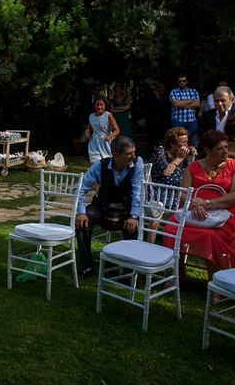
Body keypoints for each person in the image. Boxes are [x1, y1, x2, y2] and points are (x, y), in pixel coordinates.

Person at [164, 130, 235, 284]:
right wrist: (195, 203)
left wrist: (207, 203)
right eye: (220, 149)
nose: (225, 151)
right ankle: (179, 274)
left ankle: (215, 282)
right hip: (195, 213)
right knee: (170, 229)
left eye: (226, 147)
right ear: (207, 150)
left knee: (210, 237)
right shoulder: (193, 167)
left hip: (226, 216)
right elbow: (182, 194)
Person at [75, 136, 144, 278]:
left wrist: (134, 216)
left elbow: (138, 191)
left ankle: (128, 271)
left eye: (134, 152)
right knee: (83, 222)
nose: (133, 156)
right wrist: (81, 212)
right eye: (129, 153)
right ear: (116, 155)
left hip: (125, 208)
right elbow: (80, 189)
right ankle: (86, 266)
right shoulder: (100, 165)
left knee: (134, 226)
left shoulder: (137, 163)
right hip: (103, 206)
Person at [147, 127, 195, 242]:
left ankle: (181, 242)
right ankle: (150, 244)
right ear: (172, 145)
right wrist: (179, 159)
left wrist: (191, 157)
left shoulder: (184, 155)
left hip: (178, 194)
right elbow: (165, 172)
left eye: (187, 143)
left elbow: (189, 174)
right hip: (159, 193)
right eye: (182, 143)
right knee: (157, 209)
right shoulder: (161, 152)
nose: (186, 146)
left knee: (193, 206)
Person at [170, 73, 200, 147]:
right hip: (178, 120)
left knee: (192, 141)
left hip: (191, 120)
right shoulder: (173, 92)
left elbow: (197, 104)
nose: (182, 82)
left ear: (187, 81)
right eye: (180, 81)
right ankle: (180, 157)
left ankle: (192, 157)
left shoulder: (193, 91)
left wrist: (181, 104)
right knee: (178, 141)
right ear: (177, 82)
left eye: (184, 81)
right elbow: (176, 104)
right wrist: (191, 101)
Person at [85, 97, 119, 163]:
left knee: (107, 164)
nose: (99, 107)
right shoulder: (91, 116)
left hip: (106, 143)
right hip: (94, 144)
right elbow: (89, 127)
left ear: (105, 105)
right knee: (96, 164)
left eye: (101, 105)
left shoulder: (108, 115)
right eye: (97, 105)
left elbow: (117, 130)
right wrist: (87, 132)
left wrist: (110, 136)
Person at [143, 81, 171, 152]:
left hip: (163, 123)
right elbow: (147, 109)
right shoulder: (149, 96)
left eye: (163, 87)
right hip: (152, 123)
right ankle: (150, 155)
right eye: (160, 87)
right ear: (156, 88)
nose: (162, 89)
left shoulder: (166, 97)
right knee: (152, 141)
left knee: (163, 140)